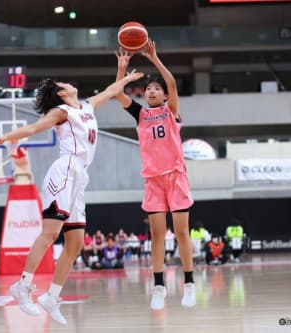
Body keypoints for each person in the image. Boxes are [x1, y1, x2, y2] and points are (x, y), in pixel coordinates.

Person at [0, 71, 143, 324]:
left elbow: (112, 91)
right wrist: (8, 136)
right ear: (61, 93)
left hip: (80, 177)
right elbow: (35, 127)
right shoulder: (61, 112)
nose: (70, 82)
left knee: (76, 243)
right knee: (49, 234)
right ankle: (23, 285)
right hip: (64, 172)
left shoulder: (86, 106)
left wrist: (124, 74)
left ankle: (51, 296)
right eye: (63, 83)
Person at [115, 41, 196, 310]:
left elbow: (172, 83)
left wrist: (155, 58)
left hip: (175, 176)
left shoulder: (170, 112)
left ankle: (189, 284)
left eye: (156, 89)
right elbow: (118, 94)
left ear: (163, 96)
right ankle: (159, 286)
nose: (152, 91)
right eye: (148, 88)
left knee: (182, 233)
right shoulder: (140, 114)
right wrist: (122, 70)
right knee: (157, 235)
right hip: (153, 180)